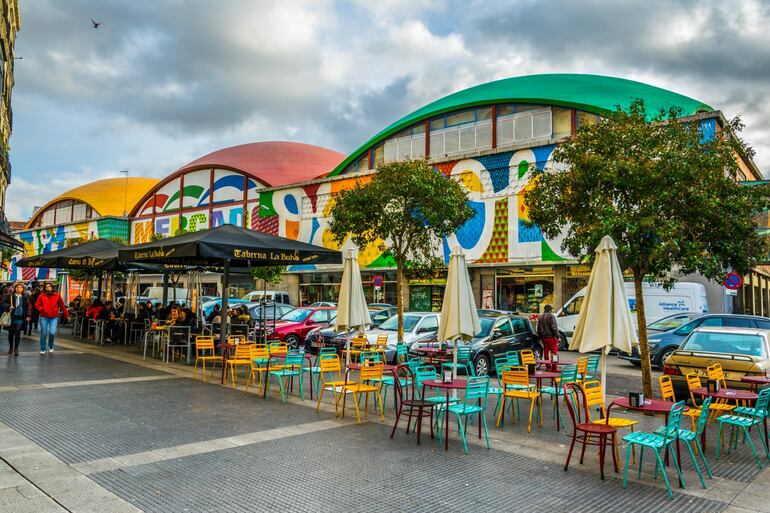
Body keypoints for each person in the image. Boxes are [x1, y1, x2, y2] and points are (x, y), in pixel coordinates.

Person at [35, 283, 69, 354]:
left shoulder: (57, 295)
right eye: (46, 287)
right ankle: (43, 348)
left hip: (54, 317)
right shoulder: (41, 296)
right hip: (43, 317)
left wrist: (67, 315)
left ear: (52, 287)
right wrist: (42, 309)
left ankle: (51, 345)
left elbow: (62, 306)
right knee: (43, 333)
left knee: (52, 333)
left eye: (49, 286)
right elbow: (37, 305)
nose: (48, 288)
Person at [3, 282, 29, 355]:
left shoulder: (24, 297)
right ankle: (11, 347)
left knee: (17, 332)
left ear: (22, 289)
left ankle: (16, 348)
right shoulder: (10, 296)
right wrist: (9, 306)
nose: (19, 289)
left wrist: (28, 316)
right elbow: (3, 303)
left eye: (20, 288)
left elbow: (27, 307)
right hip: (12, 317)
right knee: (11, 333)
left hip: (20, 317)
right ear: (15, 288)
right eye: (17, 287)